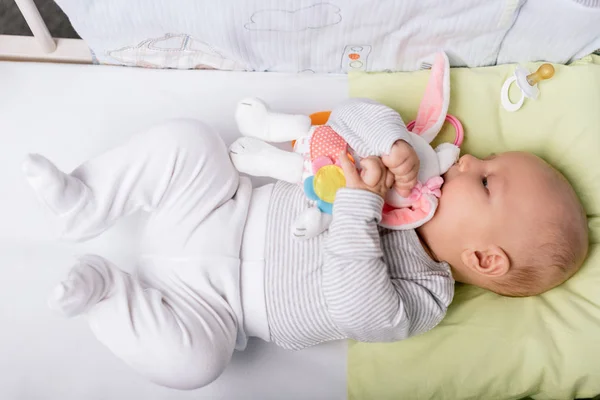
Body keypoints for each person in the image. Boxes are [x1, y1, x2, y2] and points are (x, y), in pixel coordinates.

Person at [22, 98, 588, 390]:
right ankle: (84, 203)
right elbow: (345, 120)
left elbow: (354, 304)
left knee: (194, 363)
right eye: (480, 160)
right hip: (226, 208)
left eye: (485, 179)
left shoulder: (425, 296)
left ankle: (106, 295)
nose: (466, 160)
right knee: (190, 141)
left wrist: (360, 204)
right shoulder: (413, 166)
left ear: (484, 259)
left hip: (219, 307)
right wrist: (390, 139)